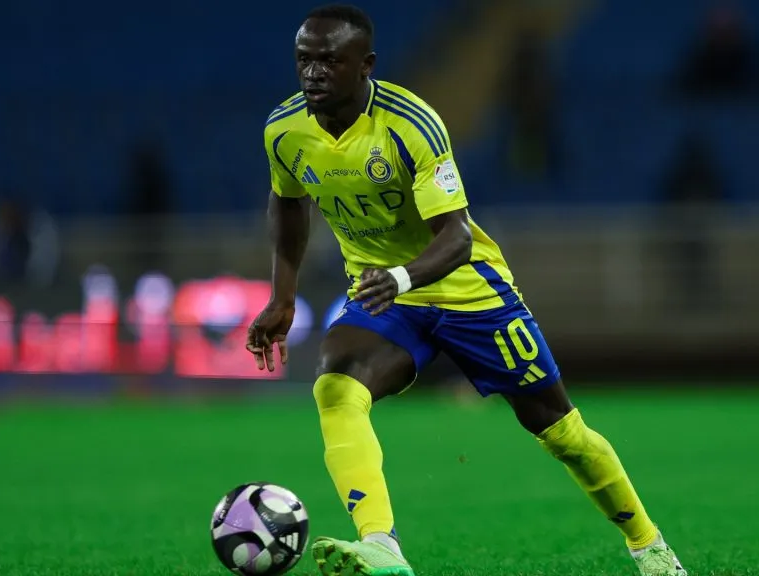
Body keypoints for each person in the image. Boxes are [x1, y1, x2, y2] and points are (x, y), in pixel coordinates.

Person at [246, 5, 688, 575]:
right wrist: (283, 296)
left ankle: (648, 546)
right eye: (305, 60)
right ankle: (382, 544)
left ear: (366, 66)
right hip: (387, 299)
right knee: (335, 387)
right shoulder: (284, 132)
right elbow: (286, 202)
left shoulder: (411, 125)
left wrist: (401, 277)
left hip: (467, 293)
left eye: (330, 61)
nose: (313, 73)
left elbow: (455, 238)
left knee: (560, 431)